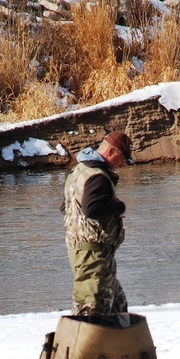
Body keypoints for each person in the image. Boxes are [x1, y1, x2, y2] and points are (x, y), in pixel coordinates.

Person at [62, 131, 134, 317]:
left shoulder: (79, 170)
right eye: (122, 158)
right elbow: (91, 209)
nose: (123, 164)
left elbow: (67, 208)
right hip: (93, 256)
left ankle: (118, 345)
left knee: (118, 306)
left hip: (83, 253)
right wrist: (118, 208)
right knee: (91, 313)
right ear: (111, 152)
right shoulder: (98, 177)